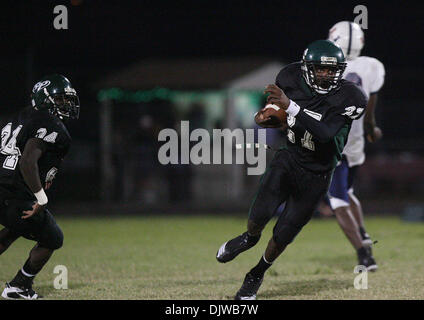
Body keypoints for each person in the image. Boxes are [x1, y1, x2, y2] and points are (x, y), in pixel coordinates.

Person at [216, 40, 367, 300]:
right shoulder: (289, 77)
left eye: (332, 70)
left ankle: (257, 273)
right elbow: (273, 114)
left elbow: (325, 133)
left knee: (283, 234)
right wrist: (267, 116)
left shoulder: (350, 96)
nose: (327, 75)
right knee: (260, 213)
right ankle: (248, 239)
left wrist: (291, 107)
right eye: (321, 69)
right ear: (307, 68)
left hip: (318, 173)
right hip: (289, 158)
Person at [0, 74, 79, 299]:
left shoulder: (17, 118)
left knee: (13, 230)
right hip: (12, 192)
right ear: (46, 100)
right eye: (61, 99)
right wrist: (41, 198)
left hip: (6, 189)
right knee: (53, 237)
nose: (66, 104)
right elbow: (27, 162)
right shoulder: (50, 123)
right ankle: (19, 287)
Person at [324, 21, 385, 271]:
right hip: (356, 141)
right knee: (348, 193)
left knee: (337, 201)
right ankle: (363, 232)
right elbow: (369, 114)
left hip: (333, 139)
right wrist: (372, 130)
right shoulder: (372, 66)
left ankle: (363, 254)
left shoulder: (327, 65)